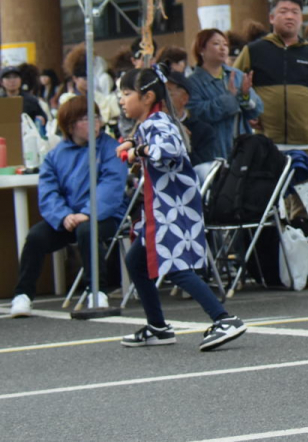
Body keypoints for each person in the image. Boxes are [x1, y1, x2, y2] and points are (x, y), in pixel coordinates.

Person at [116, 67, 247, 351]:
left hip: (170, 211)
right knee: (137, 262)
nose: (121, 100)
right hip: (163, 210)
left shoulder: (157, 123)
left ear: (148, 96)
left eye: (126, 94)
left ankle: (224, 319)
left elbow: (168, 151)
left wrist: (138, 151)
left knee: (176, 267)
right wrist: (133, 143)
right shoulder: (153, 122)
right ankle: (158, 327)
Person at [8, 99, 127, 317]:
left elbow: (111, 187)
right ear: (70, 124)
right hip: (68, 217)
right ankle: (22, 295)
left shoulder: (110, 148)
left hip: (105, 216)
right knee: (35, 237)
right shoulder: (56, 154)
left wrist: (87, 213)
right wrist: (64, 216)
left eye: (96, 117)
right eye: (84, 119)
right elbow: (48, 191)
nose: (94, 123)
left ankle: (97, 291)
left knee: (87, 230)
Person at [232, 0, 308, 162]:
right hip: (266, 141)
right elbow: (232, 85)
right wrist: (248, 111)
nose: (289, 16)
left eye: (295, 12)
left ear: (301, 18)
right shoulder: (253, 51)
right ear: (271, 17)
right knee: (269, 189)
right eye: (283, 11)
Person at [187, 28, 263, 164]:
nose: (223, 48)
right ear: (201, 49)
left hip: (241, 148)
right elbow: (197, 112)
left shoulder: (236, 75)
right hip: (212, 152)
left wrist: (246, 97)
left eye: (225, 45)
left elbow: (256, 110)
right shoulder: (192, 82)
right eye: (216, 44)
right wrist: (229, 100)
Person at [165, 71, 215, 163]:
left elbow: (202, 169)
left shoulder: (203, 131)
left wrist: (184, 143)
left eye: (168, 94)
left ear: (184, 99)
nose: (161, 99)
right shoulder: (148, 124)